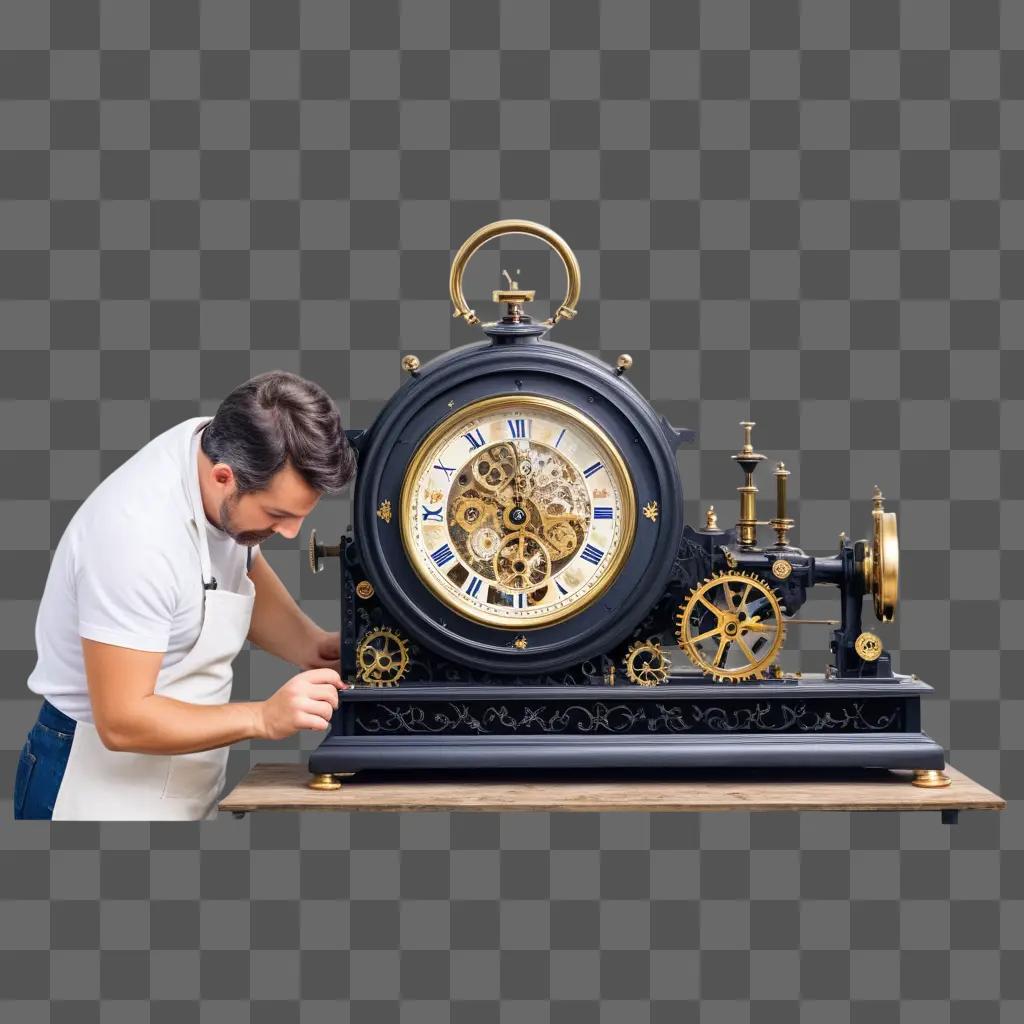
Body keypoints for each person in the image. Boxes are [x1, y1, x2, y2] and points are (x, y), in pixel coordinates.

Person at [12, 370, 357, 820]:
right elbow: (122, 721)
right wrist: (263, 718)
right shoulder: (133, 540)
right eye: (277, 514)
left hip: (178, 780)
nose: (292, 533)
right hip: (94, 782)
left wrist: (309, 646)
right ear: (222, 477)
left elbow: (236, 560)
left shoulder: (216, 443)